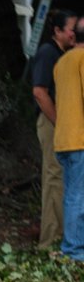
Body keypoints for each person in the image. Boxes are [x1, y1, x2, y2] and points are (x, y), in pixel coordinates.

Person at [32, 9, 77, 250]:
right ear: (57, 31)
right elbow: (40, 92)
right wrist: (60, 123)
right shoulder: (48, 53)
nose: (74, 33)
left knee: (59, 178)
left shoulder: (63, 54)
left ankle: (58, 236)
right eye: (71, 28)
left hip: (58, 123)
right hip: (50, 123)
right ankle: (49, 241)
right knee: (53, 178)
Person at [53, 18, 84, 261]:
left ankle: (73, 246)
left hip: (64, 137)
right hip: (80, 139)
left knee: (72, 194)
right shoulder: (82, 59)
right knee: (77, 197)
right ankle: (73, 250)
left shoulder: (62, 61)